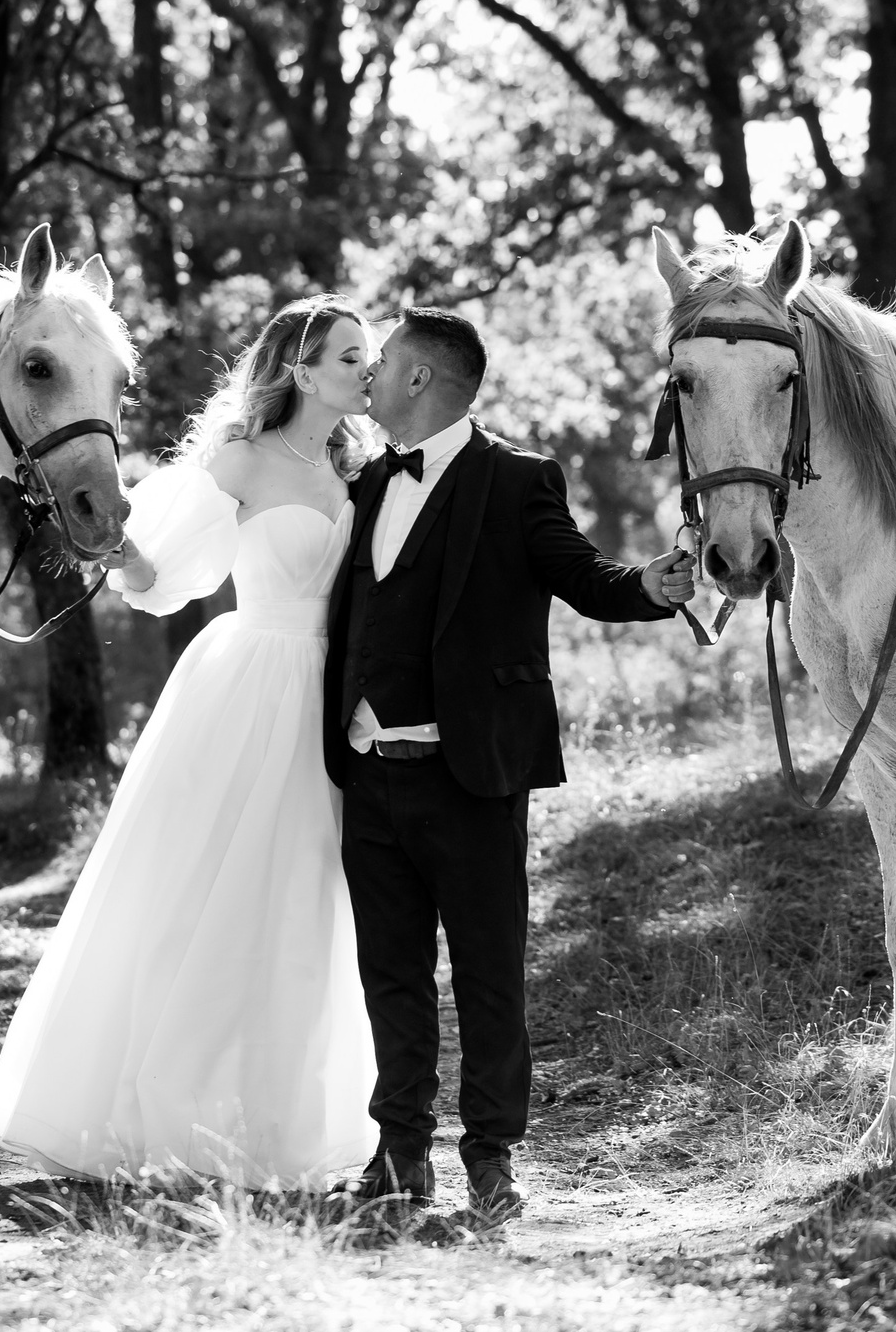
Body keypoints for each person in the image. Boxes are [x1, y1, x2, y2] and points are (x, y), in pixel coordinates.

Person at [0, 295, 383, 1189]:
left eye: (372, 353)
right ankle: (169, 1108)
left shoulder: (367, 467)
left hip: (336, 699)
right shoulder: (238, 459)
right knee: (210, 892)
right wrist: (122, 553)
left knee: (307, 904)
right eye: (352, 354)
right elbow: (163, 576)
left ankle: (287, 1118)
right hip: (249, 687)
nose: (370, 367)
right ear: (302, 368)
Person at [330, 308, 697, 1224]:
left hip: (473, 774)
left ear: (419, 379)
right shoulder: (368, 481)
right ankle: (400, 1154)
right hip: (370, 771)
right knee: (392, 973)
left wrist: (648, 586)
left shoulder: (516, 478)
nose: (367, 376)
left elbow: (580, 574)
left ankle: (491, 1155)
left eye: (381, 364)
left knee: (490, 971)